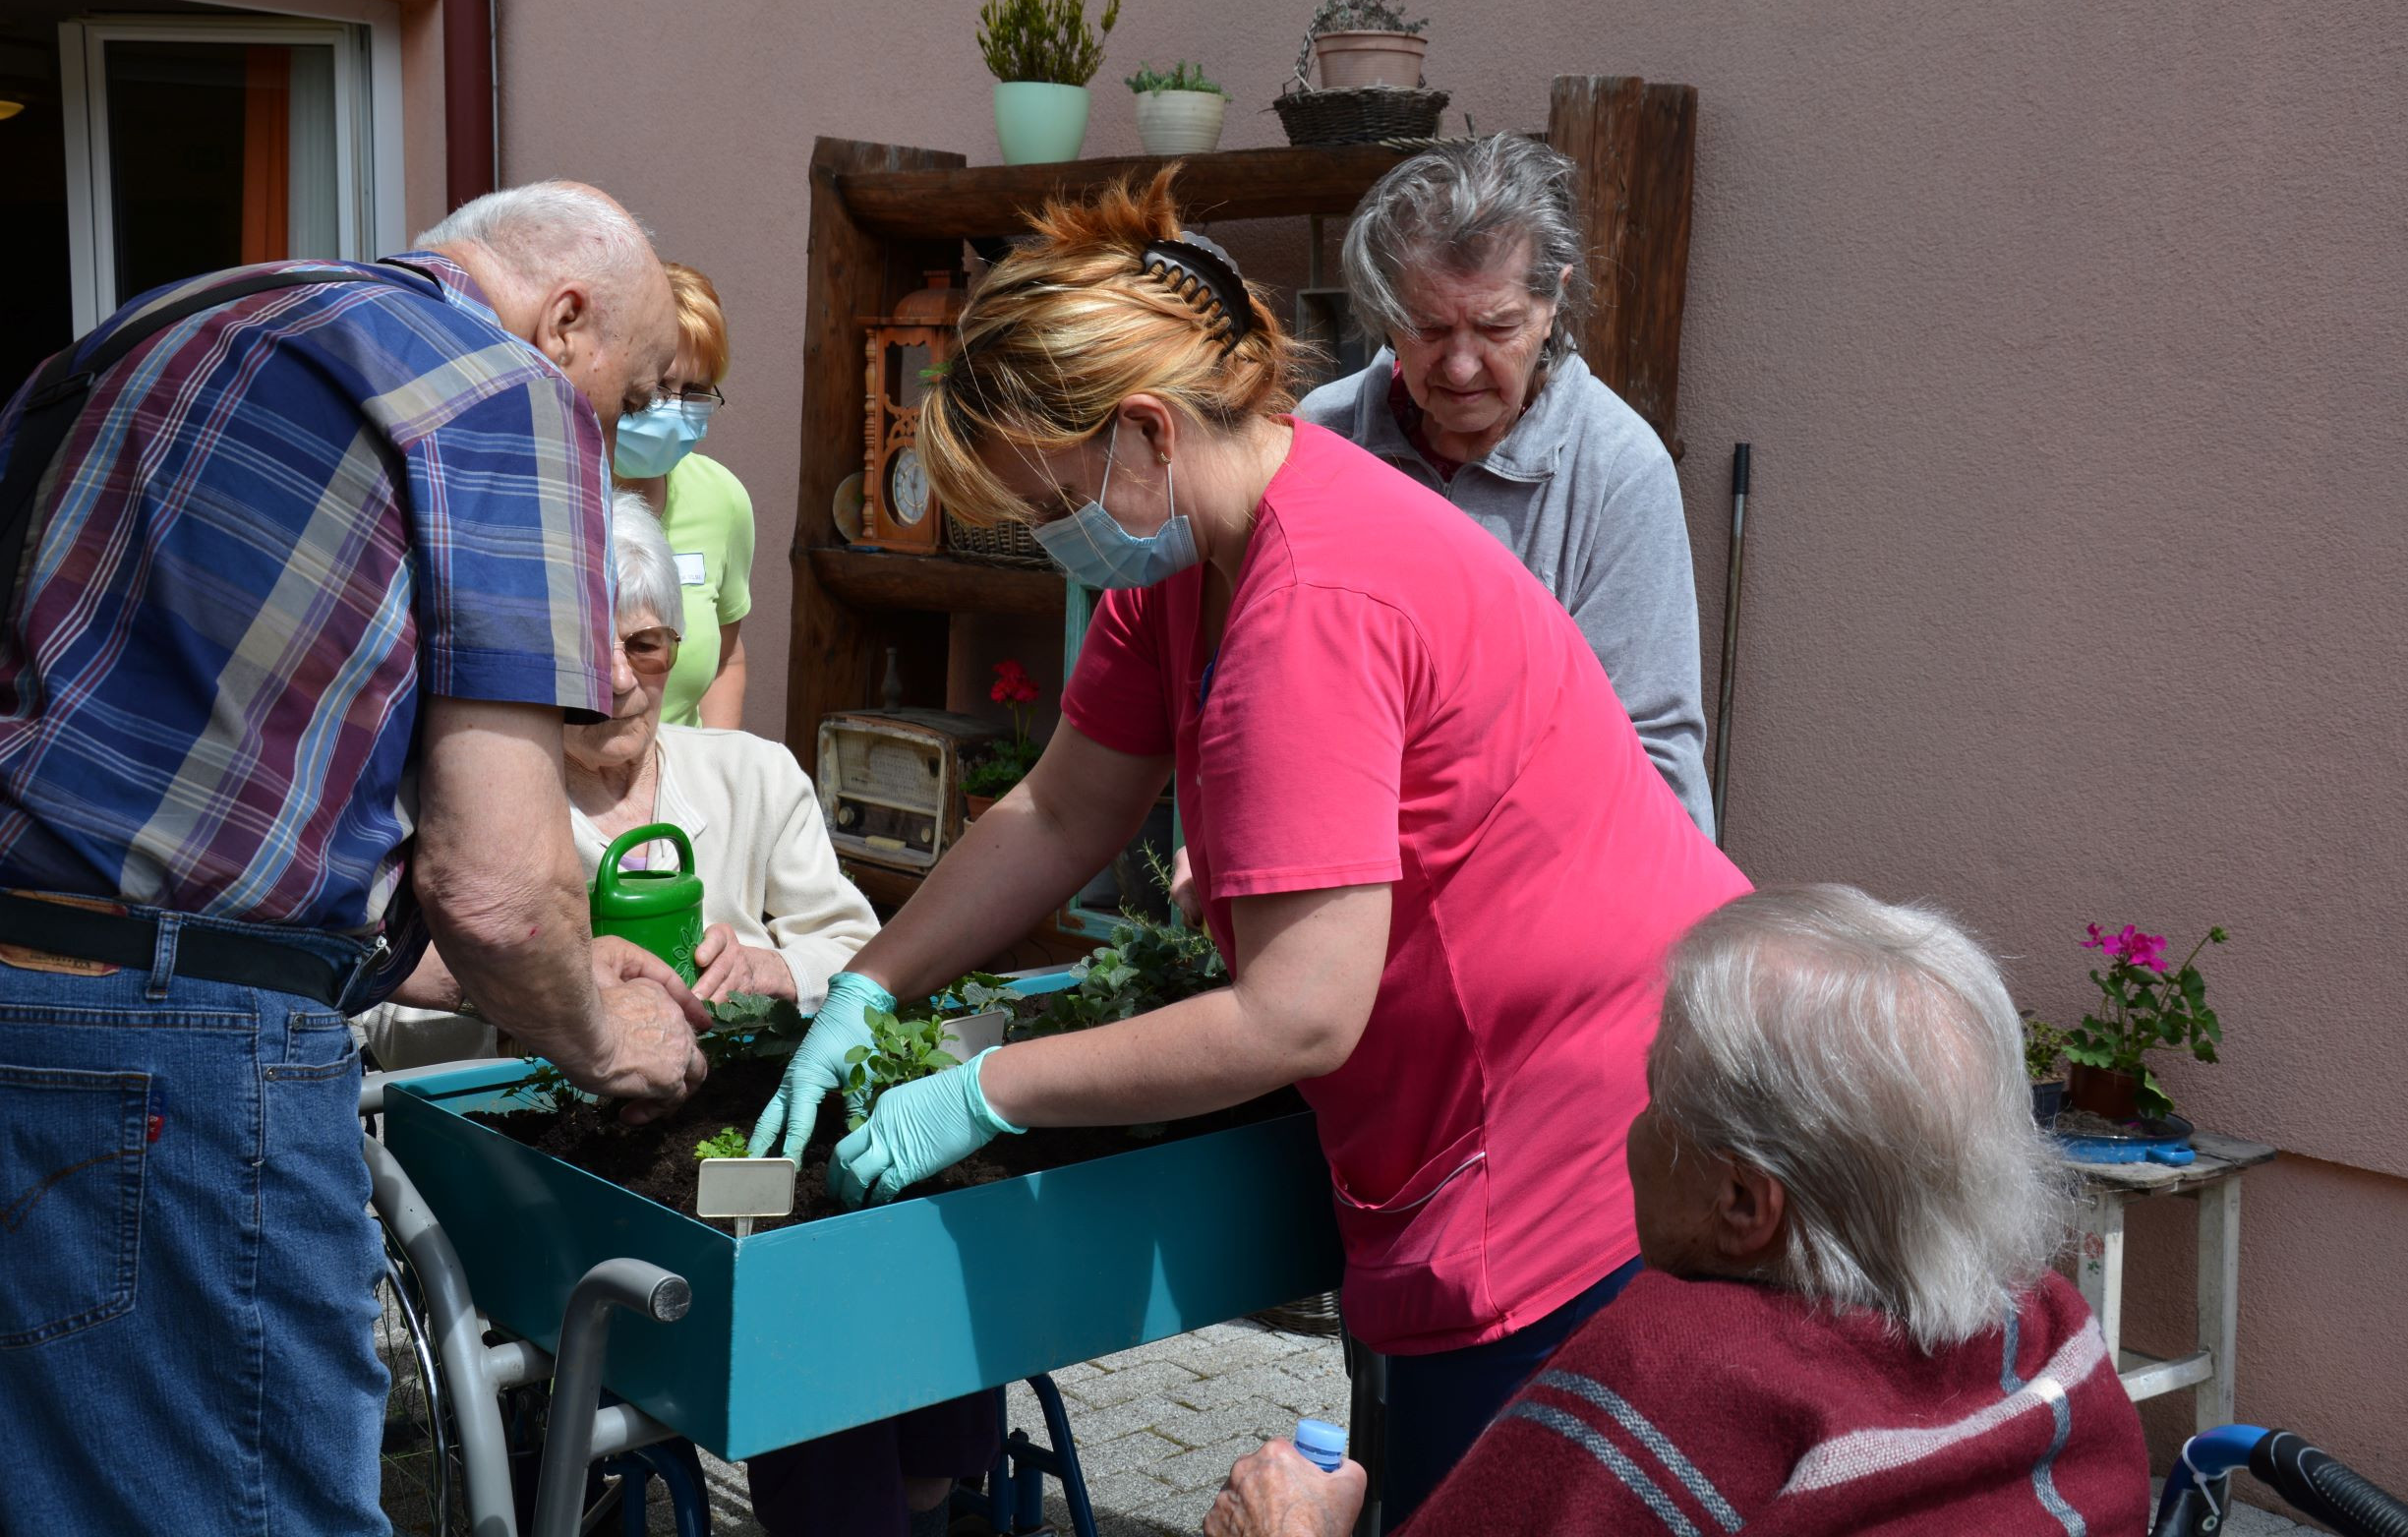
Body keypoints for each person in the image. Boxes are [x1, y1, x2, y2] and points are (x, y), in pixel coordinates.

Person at [746, 173, 1751, 1532]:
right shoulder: (1187, 562)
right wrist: (869, 982)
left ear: (1145, 435)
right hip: (1486, 1117)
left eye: (1048, 494)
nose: (1055, 537)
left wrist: (990, 1087)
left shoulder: (1311, 604)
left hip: (1571, 1159)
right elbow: (1062, 808)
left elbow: (1298, 1011)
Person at [0, 180, 710, 1536]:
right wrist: (602, 1035)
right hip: (168, 1071)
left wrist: (456, 974)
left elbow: (202, 798)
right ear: (565, 323)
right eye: (622, 404)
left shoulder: (161, 328)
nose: (606, 443)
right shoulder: (502, 390)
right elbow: (501, 889)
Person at [1204, 886, 2152, 1537]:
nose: (1636, 1126)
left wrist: (1289, 1524)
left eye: (1657, 1097)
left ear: (1742, 1204)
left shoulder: (1669, 1373)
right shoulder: (2051, 1336)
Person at [360, 492, 876, 1067]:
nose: (621, 680)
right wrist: (546, 990)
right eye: (584, 653)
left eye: (646, 644)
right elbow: (378, 989)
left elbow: (859, 950)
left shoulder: (755, 775)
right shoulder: (455, 798)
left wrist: (769, 969)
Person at [1297, 134, 1713, 834]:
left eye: (1496, 327)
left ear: (1555, 299)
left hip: (1542, 869)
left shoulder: (1615, 468)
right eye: (1426, 327)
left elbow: (1654, 761)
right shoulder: (1323, 438)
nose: (1460, 368)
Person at [610, 261, 756, 728]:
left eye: (693, 390)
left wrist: (715, 774)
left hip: (679, 783)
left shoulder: (723, 499)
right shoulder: (552, 494)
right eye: (658, 387)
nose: (673, 408)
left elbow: (726, 660)